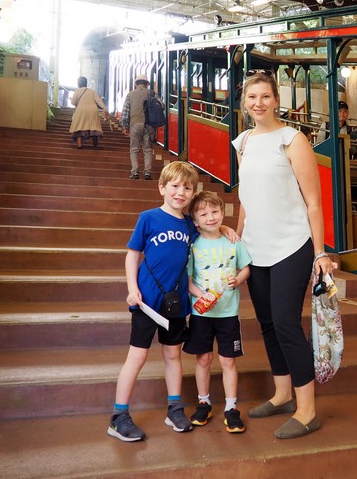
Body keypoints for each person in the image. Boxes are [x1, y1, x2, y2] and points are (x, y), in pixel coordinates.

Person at [232, 71, 333, 439]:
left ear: (276, 100)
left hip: (292, 244)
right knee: (268, 324)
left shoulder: (293, 139)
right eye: (252, 97)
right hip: (255, 247)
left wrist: (320, 252)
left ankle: (307, 411)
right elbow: (246, 198)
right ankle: (282, 394)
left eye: (265, 96)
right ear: (245, 103)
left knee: (288, 323)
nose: (258, 103)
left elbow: (314, 202)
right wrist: (238, 239)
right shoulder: (242, 142)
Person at [107, 161, 199, 442]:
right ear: (162, 188)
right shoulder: (148, 218)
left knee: (173, 354)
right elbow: (132, 255)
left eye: (187, 188)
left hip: (176, 302)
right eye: (174, 186)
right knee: (138, 355)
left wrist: (228, 232)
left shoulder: (189, 225)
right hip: (147, 301)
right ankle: (118, 415)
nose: (180, 192)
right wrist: (132, 288)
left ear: (193, 193)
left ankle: (174, 408)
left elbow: (209, 236)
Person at [183, 190, 251, 433]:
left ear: (223, 213)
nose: (210, 217)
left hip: (228, 314)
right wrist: (201, 295)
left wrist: (238, 280)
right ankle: (204, 402)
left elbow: (245, 268)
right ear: (195, 219)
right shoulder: (193, 245)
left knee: (228, 360)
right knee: (203, 358)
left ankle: (231, 407)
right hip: (202, 314)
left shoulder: (232, 241)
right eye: (203, 213)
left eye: (215, 211)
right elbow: (188, 279)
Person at [120, 74, 154, 180]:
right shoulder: (152, 93)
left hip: (135, 124)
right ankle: (147, 172)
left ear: (135, 84)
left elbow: (125, 112)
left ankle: (135, 172)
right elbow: (161, 106)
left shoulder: (130, 94)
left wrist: (125, 126)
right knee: (147, 149)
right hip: (149, 125)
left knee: (134, 149)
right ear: (147, 84)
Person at [68, 76, 108, 149]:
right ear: (86, 83)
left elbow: (73, 102)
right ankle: (95, 141)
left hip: (81, 109)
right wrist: (104, 108)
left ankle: (79, 144)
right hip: (92, 109)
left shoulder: (77, 91)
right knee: (93, 126)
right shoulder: (92, 92)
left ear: (78, 83)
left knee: (79, 126)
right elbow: (99, 101)